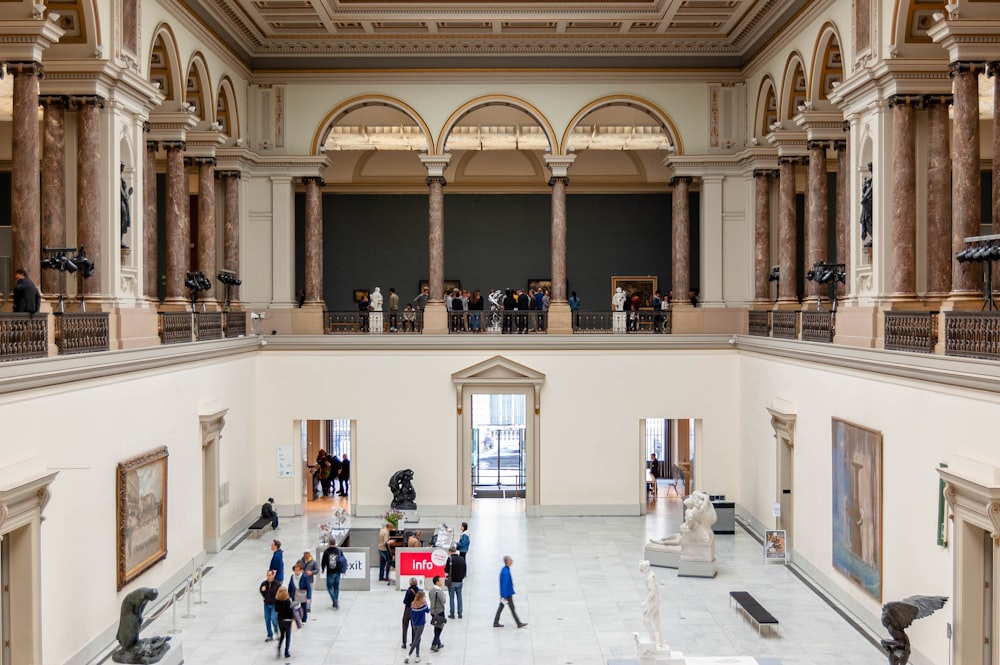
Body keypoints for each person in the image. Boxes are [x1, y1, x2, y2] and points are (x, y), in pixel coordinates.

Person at [493, 555, 527, 628]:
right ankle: (518, 623)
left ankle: (496, 622)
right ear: (507, 562)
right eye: (510, 560)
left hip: (506, 594)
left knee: (502, 607)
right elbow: (504, 584)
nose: (512, 561)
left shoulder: (505, 569)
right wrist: (504, 596)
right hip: (507, 594)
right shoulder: (506, 572)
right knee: (511, 608)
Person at [640, 560, 665, 646]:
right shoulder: (651, 575)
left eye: (642, 570)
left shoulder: (650, 578)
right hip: (655, 601)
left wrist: (645, 602)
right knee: (657, 620)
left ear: (646, 568)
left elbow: (652, 591)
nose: (641, 572)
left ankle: (653, 638)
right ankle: (661, 641)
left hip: (653, 602)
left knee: (645, 619)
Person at [406, 589, 429, 663]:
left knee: (418, 639)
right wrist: (426, 603)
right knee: (416, 640)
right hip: (420, 624)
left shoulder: (413, 604)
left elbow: (411, 614)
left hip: (414, 624)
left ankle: (417, 655)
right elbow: (428, 611)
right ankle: (409, 655)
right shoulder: (423, 605)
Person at [321, 543, 347, 608]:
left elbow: (323, 561)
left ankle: (334, 600)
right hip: (338, 571)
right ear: (335, 544)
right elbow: (343, 560)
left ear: (329, 544)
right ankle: (336, 600)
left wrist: (323, 568)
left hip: (330, 572)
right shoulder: (339, 551)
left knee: (329, 587)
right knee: (336, 587)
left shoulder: (326, 551)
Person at [445, 545, 466, 619]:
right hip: (460, 581)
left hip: (452, 582)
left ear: (450, 552)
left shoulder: (449, 559)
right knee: (459, 597)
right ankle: (460, 613)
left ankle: (452, 613)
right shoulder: (462, 559)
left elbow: (446, 570)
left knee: (451, 598)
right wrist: (461, 577)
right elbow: (465, 570)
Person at [259, 569, 281, 642]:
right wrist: (263, 590)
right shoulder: (264, 584)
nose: (268, 577)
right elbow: (262, 592)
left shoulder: (277, 584)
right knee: (267, 619)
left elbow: (279, 594)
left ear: (273, 575)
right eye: (267, 575)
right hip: (266, 604)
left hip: (275, 604)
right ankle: (269, 635)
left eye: (270, 575)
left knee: (273, 618)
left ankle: (276, 632)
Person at [274, 586, 294, 658]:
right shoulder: (288, 601)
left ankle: (279, 647)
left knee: (282, 635)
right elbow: (291, 612)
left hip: (280, 620)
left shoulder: (277, 601)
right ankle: (286, 651)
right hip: (287, 621)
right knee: (288, 636)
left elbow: (276, 610)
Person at [429, 575, 448, 652]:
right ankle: (434, 644)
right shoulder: (439, 592)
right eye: (440, 580)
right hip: (439, 612)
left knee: (436, 626)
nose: (441, 582)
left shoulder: (431, 591)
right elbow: (443, 601)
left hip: (433, 611)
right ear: (437, 582)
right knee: (439, 628)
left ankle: (439, 643)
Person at [401, 577, 419, 649]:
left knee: (405, 626)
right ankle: (413, 642)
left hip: (408, 610)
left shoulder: (408, 591)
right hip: (415, 610)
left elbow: (405, 601)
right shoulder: (418, 591)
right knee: (414, 627)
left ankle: (404, 643)